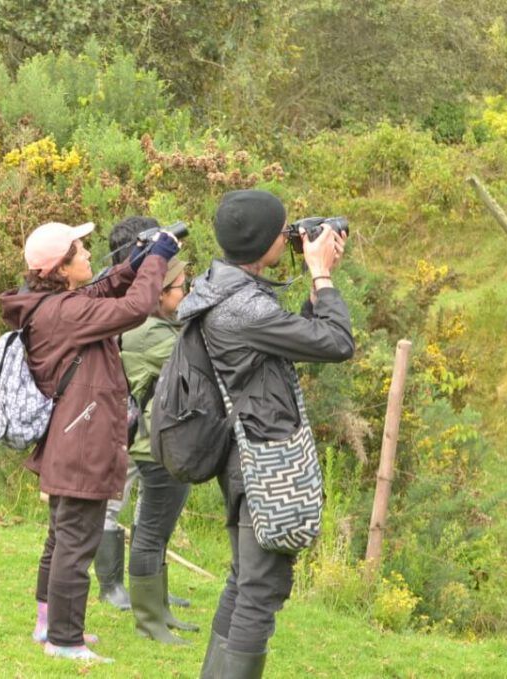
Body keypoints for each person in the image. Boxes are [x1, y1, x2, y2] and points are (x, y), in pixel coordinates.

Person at [177, 190, 353, 678]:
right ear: (261, 242)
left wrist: (317, 289)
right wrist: (321, 274)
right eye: (284, 231)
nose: (290, 235)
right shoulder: (245, 309)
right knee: (260, 588)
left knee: (244, 579)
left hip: (242, 454)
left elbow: (293, 335)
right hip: (263, 462)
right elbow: (336, 343)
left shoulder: (220, 288)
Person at [0, 220, 180, 663]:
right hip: (82, 441)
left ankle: (48, 622)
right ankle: (65, 639)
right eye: (79, 251)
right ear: (61, 268)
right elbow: (136, 307)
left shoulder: (53, 303)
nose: (87, 256)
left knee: (62, 538)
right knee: (76, 544)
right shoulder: (64, 312)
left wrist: (136, 260)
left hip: (70, 438)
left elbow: (105, 290)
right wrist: (159, 257)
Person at [120, 251, 200, 644]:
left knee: (158, 532)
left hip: (165, 442)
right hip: (156, 445)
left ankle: (160, 610)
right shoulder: (149, 332)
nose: (186, 294)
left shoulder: (158, 326)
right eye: (182, 288)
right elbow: (196, 365)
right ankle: (149, 621)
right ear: (160, 293)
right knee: (151, 533)